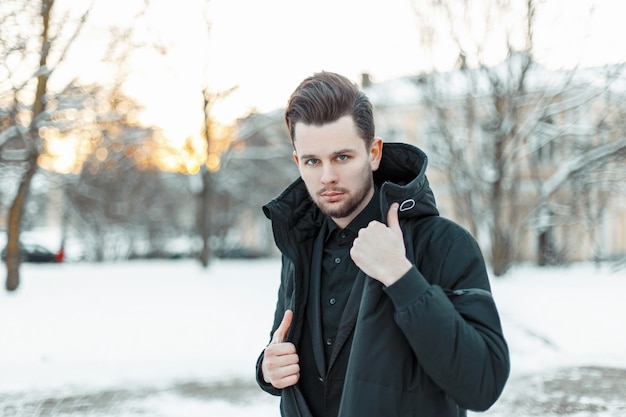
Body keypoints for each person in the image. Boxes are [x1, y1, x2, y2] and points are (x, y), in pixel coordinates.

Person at [256, 71, 510, 417]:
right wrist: (268, 368)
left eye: (342, 157)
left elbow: (482, 385)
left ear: (373, 153)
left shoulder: (444, 244)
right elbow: (280, 346)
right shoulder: (300, 246)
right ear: (298, 162)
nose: (327, 176)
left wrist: (401, 277)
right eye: (313, 161)